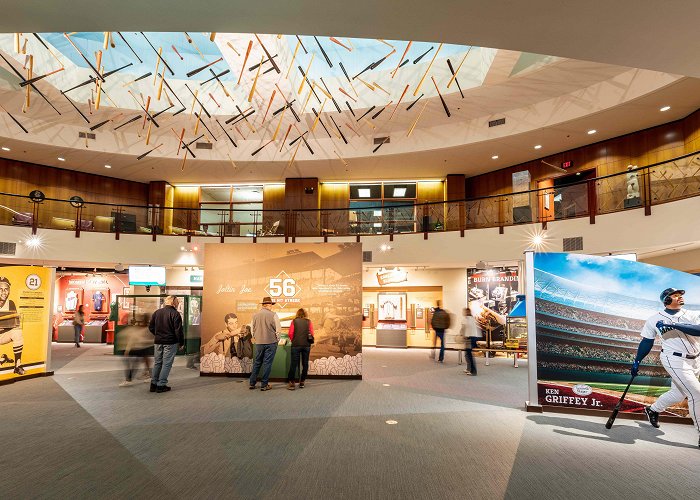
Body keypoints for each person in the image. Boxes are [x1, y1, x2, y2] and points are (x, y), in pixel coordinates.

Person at [631, 288, 700, 449]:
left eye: (681, 295)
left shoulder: (693, 314)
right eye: (675, 296)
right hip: (673, 358)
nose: (680, 297)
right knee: (696, 394)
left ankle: (653, 410)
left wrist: (674, 324)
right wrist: (637, 361)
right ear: (666, 300)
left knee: (678, 393)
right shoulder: (654, 319)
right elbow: (647, 341)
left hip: (696, 359)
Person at [148, 296, 184, 393]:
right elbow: (178, 331)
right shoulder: (175, 314)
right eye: (177, 301)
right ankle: (161, 385)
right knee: (167, 364)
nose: (178, 303)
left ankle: (153, 384)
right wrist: (181, 342)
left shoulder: (157, 312)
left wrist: (157, 334)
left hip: (158, 341)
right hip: (170, 342)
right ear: (173, 302)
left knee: (157, 362)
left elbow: (151, 327)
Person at [249, 296, 281, 391]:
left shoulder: (255, 315)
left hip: (259, 343)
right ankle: (264, 384)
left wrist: (256, 338)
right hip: (271, 342)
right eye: (271, 304)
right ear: (268, 305)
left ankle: (252, 383)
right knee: (267, 363)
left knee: (257, 362)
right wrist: (277, 340)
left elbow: (252, 330)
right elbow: (278, 330)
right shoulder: (273, 315)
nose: (272, 306)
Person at [0, 276, 24, 375]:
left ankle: (17, 366)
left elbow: (15, 322)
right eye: (0, 289)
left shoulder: (11, 303)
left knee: (17, 332)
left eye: (6, 289)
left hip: (3, 334)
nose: (3, 292)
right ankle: (3, 358)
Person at [118, 322, 153, 387]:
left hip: (139, 348)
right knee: (137, 362)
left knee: (134, 363)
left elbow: (133, 339)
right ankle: (148, 375)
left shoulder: (144, 329)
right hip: (139, 348)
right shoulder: (138, 329)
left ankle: (129, 379)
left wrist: (127, 350)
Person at [287, 308, 314, 390]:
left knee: (294, 364)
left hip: (296, 345)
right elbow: (312, 333)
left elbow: (290, 333)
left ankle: (292, 382)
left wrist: (293, 340)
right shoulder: (308, 322)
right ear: (305, 314)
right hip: (306, 345)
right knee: (305, 363)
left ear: (297, 314)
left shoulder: (294, 321)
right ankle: (302, 381)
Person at [462, 308, 481, 376]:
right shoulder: (472, 319)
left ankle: (473, 371)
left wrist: (462, 335)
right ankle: (469, 369)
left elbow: (464, 329)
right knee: (467, 354)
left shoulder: (466, 319)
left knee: (469, 355)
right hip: (473, 338)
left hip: (469, 338)